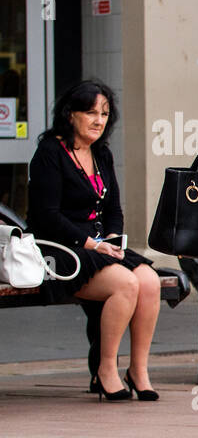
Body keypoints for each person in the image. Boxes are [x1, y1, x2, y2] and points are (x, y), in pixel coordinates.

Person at [27, 79, 163, 400]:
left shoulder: (101, 154)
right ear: (70, 115)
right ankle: (105, 371)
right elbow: (48, 217)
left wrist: (114, 239)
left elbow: (114, 209)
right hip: (60, 249)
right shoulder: (49, 153)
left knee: (150, 281)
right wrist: (93, 244)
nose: (98, 120)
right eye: (90, 112)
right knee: (125, 285)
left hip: (99, 245)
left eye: (104, 114)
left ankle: (138, 370)